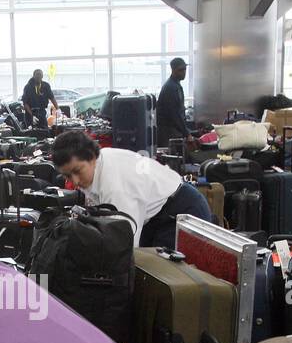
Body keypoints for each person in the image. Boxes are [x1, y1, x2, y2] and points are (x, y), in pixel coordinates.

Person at [50, 130, 214, 250]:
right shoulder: (97, 165)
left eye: (78, 171)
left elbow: (125, 245)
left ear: (92, 158)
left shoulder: (115, 184)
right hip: (156, 215)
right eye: (68, 176)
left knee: (161, 279)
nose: (75, 181)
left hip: (182, 211)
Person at [156, 57, 197, 149]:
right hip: (168, 132)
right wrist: (187, 134)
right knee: (172, 160)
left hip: (173, 130)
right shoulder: (171, 88)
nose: (184, 72)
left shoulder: (175, 85)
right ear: (173, 70)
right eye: (180, 70)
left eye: (185, 69)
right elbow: (175, 114)